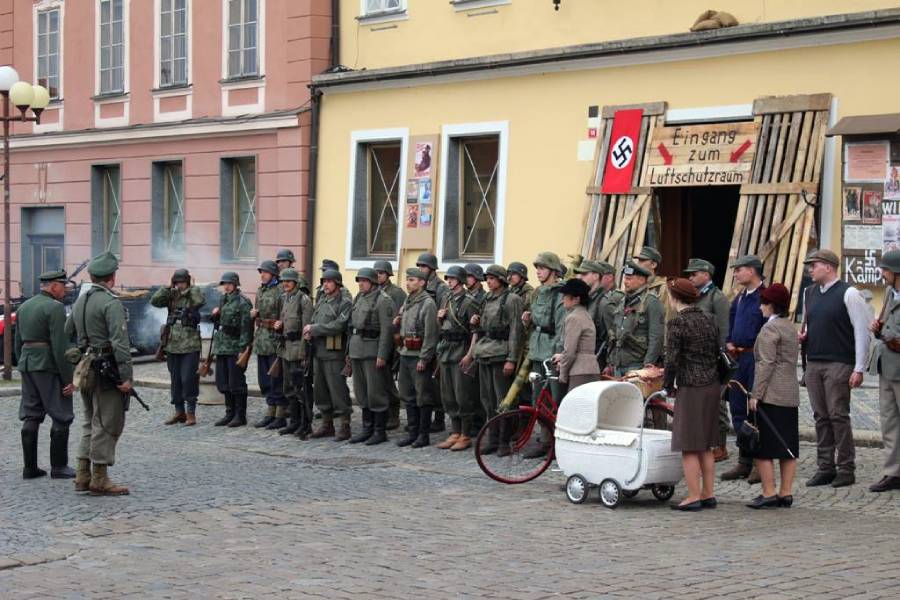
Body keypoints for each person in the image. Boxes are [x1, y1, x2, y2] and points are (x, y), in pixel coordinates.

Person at [65, 252, 133, 495]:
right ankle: (100, 479)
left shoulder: (81, 300)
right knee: (105, 422)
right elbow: (120, 343)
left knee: (88, 421)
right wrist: (126, 377)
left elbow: (67, 329)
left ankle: (82, 475)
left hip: (86, 368)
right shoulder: (109, 302)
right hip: (106, 370)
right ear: (112, 277)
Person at [801, 249, 871, 488]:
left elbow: (862, 331)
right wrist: (805, 336)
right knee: (820, 417)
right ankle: (825, 467)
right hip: (814, 361)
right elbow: (811, 324)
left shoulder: (849, 293)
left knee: (838, 415)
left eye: (814, 265)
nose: (810, 269)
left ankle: (846, 468)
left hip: (839, 362)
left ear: (829, 267)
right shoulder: (809, 293)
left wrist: (859, 367)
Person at [663, 278, 720, 511]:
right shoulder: (709, 319)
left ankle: (693, 495)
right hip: (712, 383)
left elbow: (672, 359)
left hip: (691, 386)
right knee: (705, 443)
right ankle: (708, 493)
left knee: (688, 444)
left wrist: (668, 384)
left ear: (674, 297)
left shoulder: (677, 324)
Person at [15, 270, 75, 480]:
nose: (65, 289)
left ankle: (29, 468)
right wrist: (68, 379)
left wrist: (22, 363)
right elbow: (60, 346)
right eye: (62, 285)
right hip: (48, 366)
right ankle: (59, 467)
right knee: (61, 414)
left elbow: (18, 342)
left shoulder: (24, 306)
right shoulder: (55, 308)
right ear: (53, 286)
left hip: (27, 364)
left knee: (31, 414)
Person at [747, 283, 800, 509]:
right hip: (789, 393)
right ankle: (785, 493)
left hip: (771, 394)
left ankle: (768, 492)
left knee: (763, 446)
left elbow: (766, 363)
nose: (760, 307)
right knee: (788, 446)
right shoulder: (789, 326)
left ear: (771, 305)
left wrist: (756, 394)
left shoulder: (770, 329)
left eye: (763, 303)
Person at [720, 255, 766, 482]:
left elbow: (769, 328)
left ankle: (760, 462)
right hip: (738, 360)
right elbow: (730, 323)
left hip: (755, 360)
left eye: (739, 270)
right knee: (737, 410)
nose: (735, 274)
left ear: (752, 271)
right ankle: (743, 461)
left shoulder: (765, 297)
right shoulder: (739, 298)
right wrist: (729, 341)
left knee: (756, 411)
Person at [472, 266, 524, 456]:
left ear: (502, 280)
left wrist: (511, 359)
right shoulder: (487, 298)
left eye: (493, 278)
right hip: (485, 352)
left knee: (503, 401)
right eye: (488, 278)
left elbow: (515, 331)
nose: (489, 281)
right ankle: (492, 438)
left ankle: (504, 441)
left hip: (501, 355)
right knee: (487, 399)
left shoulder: (512, 300)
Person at [684, 258, 731, 462]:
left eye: (694, 274)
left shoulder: (716, 298)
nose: (690, 277)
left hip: (712, 357)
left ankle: (720, 444)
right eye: (690, 274)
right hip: (694, 356)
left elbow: (724, 329)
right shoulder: (695, 296)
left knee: (716, 403)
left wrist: (721, 356)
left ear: (706, 275)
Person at [150, 268, 204, 426]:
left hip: (190, 344)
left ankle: (191, 413)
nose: (179, 285)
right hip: (172, 344)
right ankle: (179, 411)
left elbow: (199, 301)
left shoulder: (194, 294)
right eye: (177, 282)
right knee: (176, 380)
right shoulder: (171, 295)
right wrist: (167, 287)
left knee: (189, 379)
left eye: (182, 282)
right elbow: (154, 301)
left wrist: (191, 287)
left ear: (187, 282)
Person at [347, 268, 395, 445]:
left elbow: (387, 331)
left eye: (364, 281)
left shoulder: (384, 301)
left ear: (373, 282)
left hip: (373, 351)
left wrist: (382, 355)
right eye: (359, 280)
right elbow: (352, 327)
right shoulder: (359, 298)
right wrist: (349, 353)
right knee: (361, 392)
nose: (360, 283)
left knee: (376, 392)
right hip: (357, 350)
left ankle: (379, 431)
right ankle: (367, 428)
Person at [435, 266, 479, 451]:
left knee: (463, 396)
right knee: (448, 395)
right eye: (448, 278)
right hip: (446, 351)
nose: (449, 281)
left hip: (461, 350)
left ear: (460, 280)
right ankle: (455, 432)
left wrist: (469, 355)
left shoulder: (470, 302)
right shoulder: (447, 299)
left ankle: (466, 434)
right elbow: (444, 327)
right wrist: (439, 318)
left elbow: (476, 332)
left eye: (453, 278)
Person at [306, 269, 353, 440]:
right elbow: (314, 319)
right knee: (320, 390)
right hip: (318, 351)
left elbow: (339, 325)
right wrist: (309, 330)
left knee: (337, 389)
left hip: (334, 353)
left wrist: (315, 329)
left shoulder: (345, 302)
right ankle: (327, 424)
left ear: (337, 284)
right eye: (324, 281)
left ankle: (345, 425)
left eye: (329, 281)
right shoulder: (322, 300)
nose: (325, 284)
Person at [395, 267, 439, 448]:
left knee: (423, 396)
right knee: (407, 395)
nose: (408, 283)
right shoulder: (408, 300)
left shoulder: (427, 303)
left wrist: (425, 358)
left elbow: (431, 334)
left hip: (418, 355)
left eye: (412, 280)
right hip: (405, 353)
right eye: (407, 280)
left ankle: (423, 435)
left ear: (422, 282)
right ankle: (412, 432)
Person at [869, 250, 900, 492]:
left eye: (886, 270)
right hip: (887, 364)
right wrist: (878, 329)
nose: (882, 273)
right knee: (889, 421)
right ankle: (893, 472)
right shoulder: (890, 293)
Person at [274, 269, 314, 439]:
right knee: (288, 387)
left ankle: (306, 424)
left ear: (296, 283)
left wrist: (304, 354)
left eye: (289, 281)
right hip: (285, 348)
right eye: (284, 281)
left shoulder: (303, 300)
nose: (285, 284)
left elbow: (306, 329)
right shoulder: (283, 298)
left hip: (298, 349)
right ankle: (294, 422)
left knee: (301, 389)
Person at [606, 261, 664, 377]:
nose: (625, 282)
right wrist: (610, 362)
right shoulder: (623, 300)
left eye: (629, 278)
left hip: (637, 366)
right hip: (618, 365)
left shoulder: (651, 302)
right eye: (625, 278)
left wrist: (647, 367)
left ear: (642, 280)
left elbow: (656, 338)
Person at [211, 272, 253, 428]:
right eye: (224, 284)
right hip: (222, 347)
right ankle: (229, 413)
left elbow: (246, 327)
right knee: (223, 382)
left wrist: (244, 349)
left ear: (236, 284)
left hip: (235, 347)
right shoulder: (223, 299)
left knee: (236, 383)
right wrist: (215, 316)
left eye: (229, 283)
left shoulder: (243, 302)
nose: (226, 286)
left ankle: (240, 415)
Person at [416, 252, 449, 433]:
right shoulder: (421, 285)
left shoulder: (441, 287)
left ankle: (439, 417)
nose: (421, 270)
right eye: (420, 266)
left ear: (432, 269)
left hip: (436, 336)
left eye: (424, 267)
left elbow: (442, 311)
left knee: (436, 381)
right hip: (422, 337)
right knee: (425, 382)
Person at [252, 260, 286, 430]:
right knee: (264, 379)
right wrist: (254, 314)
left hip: (275, 339)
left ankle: (280, 414)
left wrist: (281, 325)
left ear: (273, 274)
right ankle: (270, 411)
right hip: (262, 339)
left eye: (265, 272)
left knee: (276, 378)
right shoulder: (260, 290)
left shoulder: (281, 290)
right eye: (261, 272)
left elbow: (285, 313)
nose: (262, 275)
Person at [552, 278, 600, 392]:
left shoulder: (573, 318)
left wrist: (563, 374)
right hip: (592, 369)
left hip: (579, 372)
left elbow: (570, 352)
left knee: (575, 408)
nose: (563, 299)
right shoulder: (586, 315)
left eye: (566, 296)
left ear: (576, 299)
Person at [374, 259, 406, 431]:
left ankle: (394, 413)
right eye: (376, 273)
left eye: (381, 273)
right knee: (377, 380)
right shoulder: (373, 292)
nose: (378, 275)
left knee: (387, 379)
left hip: (391, 341)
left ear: (388, 275)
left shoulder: (397, 292)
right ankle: (383, 412)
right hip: (375, 341)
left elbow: (400, 317)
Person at [575, 259, 622, 371]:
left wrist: (610, 363)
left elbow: (614, 335)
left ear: (596, 276)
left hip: (597, 357)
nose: (580, 277)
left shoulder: (605, 301)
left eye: (584, 274)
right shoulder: (588, 298)